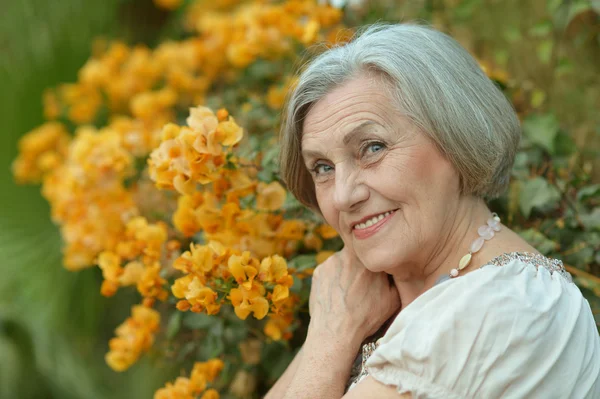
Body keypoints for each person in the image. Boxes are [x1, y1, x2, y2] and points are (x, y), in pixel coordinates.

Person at [265, 24, 600, 399]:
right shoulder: (372, 300)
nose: (343, 196)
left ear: (456, 137)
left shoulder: (499, 308)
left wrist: (329, 338)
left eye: (372, 148)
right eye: (323, 168)